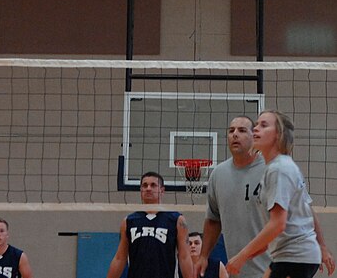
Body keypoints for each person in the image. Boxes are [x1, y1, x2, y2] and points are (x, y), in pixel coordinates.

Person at [197, 116, 334, 278]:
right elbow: (213, 220)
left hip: (282, 261)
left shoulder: (277, 168)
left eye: (242, 130)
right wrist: (204, 256)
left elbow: (299, 213)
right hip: (244, 268)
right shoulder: (218, 174)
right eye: (231, 130)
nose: (235, 134)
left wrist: (322, 247)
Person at [106, 171, 193, 278]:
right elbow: (120, 258)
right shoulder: (129, 221)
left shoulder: (177, 220)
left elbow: (184, 257)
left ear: (162, 190)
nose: (148, 188)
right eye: (144, 185)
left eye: (153, 185)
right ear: (141, 190)